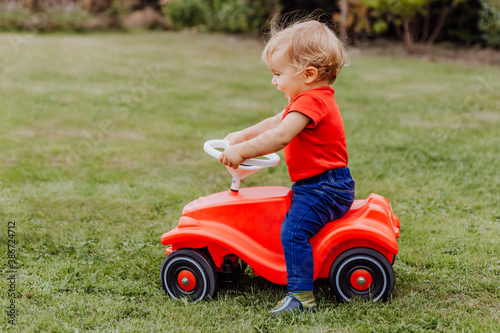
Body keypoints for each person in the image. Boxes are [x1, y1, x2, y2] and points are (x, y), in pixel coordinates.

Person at [219, 18, 355, 315]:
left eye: (278, 73)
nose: (273, 81)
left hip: (325, 188)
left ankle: (301, 296)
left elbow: (279, 136)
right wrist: (243, 135)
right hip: (318, 184)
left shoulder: (313, 102)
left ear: (307, 74)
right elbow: (273, 122)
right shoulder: (307, 99)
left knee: (293, 231)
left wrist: (241, 151)